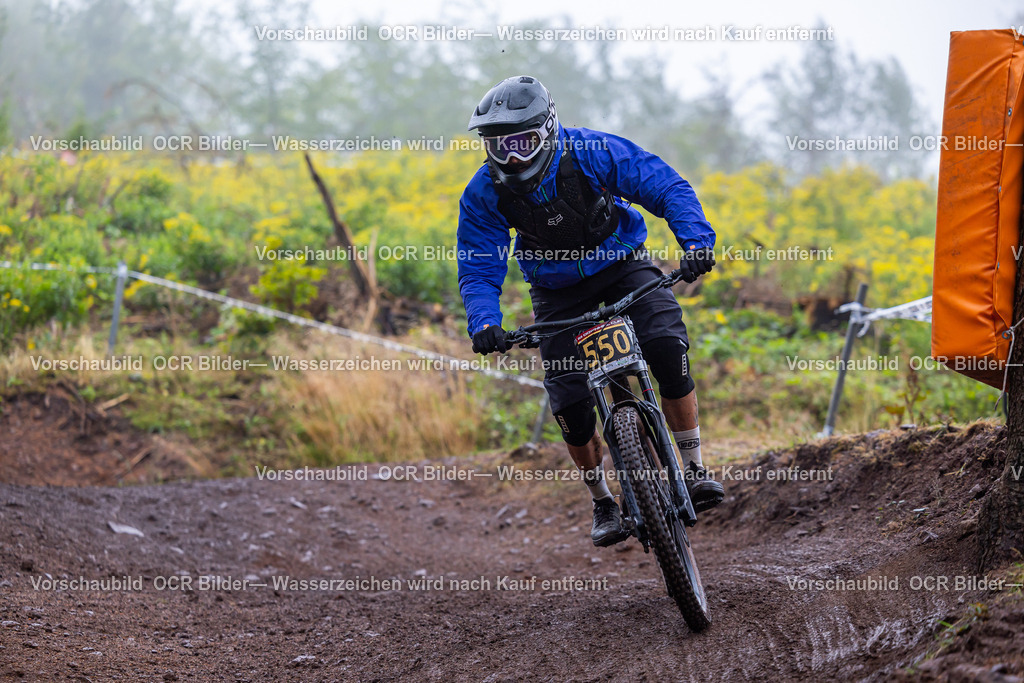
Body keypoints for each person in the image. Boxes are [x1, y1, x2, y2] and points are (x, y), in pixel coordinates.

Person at [457, 75, 724, 547]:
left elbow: (666, 187)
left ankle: (695, 466)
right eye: (499, 146)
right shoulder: (483, 192)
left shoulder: (593, 151)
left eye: (521, 143)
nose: (512, 158)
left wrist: (696, 242)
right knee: (570, 403)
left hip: (623, 263)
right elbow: (479, 264)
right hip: (556, 291)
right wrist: (485, 322)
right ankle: (602, 499)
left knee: (666, 346)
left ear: (548, 130)